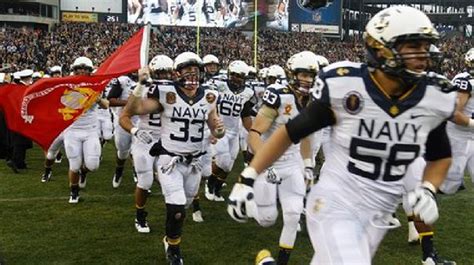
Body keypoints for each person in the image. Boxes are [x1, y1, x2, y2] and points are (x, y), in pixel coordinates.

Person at [227, 6, 456, 264]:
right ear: (382, 48)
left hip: (378, 212)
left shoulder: (434, 95)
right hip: (336, 202)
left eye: (426, 47)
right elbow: (289, 133)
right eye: (414, 46)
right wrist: (248, 177)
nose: (424, 56)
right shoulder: (346, 86)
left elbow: (440, 155)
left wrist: (427, 189)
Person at [122, 51, 225, 265]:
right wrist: (140, 85)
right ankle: (173, 248)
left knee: (184, 205)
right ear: (177, 73)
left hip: (194, 162)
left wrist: (219, 131)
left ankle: (171, 236)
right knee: (176, 207)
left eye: (195, 72)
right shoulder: (166, 92)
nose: (192, 76)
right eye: (187, 72)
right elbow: (134, 109)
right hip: (170, 161)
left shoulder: (209, 96)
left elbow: (214, 126)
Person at [247, 51, 319, 265]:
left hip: (291, 163)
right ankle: (250, 202)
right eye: (302, 74)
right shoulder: (278, 95)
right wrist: (264, 163)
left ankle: (281, 262)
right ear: (291, 73)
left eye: (310, 75)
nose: (306, 79)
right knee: (267, 220)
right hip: (269, 160)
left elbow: (305, 135)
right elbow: (254, 133)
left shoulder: (313, 100)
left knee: (293, 214)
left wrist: (307, 165)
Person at [120, 54, 174, 233]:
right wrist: (135, 131)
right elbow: (124, 117)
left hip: (167, 140)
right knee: (145, 181)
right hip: (145, 138)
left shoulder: (177, 91)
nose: (164, 76)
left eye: (167, 72)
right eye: (160, 72)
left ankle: (174, 212)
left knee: (170, 180)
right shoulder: (141, 89)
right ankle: (140, 214)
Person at [205, 60, 254, 202]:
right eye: (234, 75)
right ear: (229, 74)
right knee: (223, 161)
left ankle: (217, 189)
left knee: (229, 166)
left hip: (234, 132)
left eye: (240, 76)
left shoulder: (248, 92)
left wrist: (253, 131)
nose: (237, 79)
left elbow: (245, 116)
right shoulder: (218, 86)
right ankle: (209, 184)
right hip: (219, 129)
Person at [63, 57, 109, 203]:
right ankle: (74, 191)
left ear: (90, 71)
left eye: (85, 69)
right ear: (74, 70)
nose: (82, 71)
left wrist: (97, 99)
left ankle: (84, 172)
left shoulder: (97, 85)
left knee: (93, 165)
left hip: (90, 130)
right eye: (79, 69)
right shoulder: (66, 84)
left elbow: (106, 104)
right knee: (74, 165)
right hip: (72, 129)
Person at [439, 47, 474, 194]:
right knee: (448, 185)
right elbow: (454, 113)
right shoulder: (465, 81)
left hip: (471, 137)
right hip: (458, 137)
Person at [108, 74, 138, 188]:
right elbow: (110, 100)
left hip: (141, 120)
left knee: (137, 150)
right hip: (122, 120)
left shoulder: (148, 80)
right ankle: (119, 169)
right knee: (122, 151)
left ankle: (139, 175)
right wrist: (129, 103)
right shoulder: (122, 81)